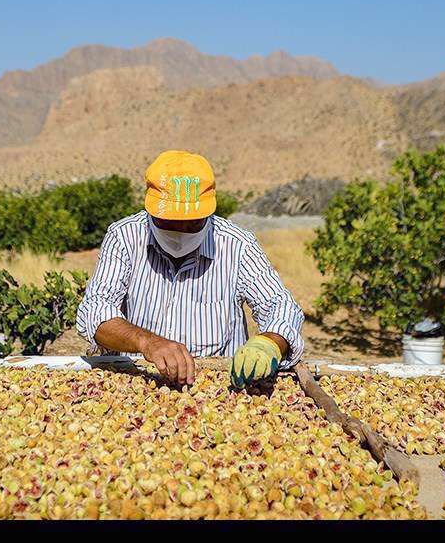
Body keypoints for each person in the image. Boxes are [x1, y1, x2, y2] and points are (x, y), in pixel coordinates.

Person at [75, 150, 304, 388]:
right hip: (140, 382)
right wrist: (146, 342)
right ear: (151, 210)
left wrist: (268, 343)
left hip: (219, 389)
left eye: (193, 223)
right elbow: (95, 310)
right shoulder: (125, 237)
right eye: (170, 222)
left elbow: (280, 306)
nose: (180, 231)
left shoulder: (237, 244)